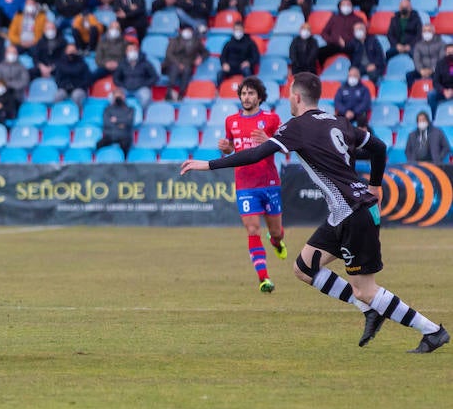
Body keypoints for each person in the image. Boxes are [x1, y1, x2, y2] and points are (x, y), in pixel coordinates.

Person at [182, 72, 448, 353]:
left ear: (296, 97)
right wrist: (375, 185)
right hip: (344, 212)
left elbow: (255, 154)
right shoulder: (338, 121)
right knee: (304, 268)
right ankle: (369, 311)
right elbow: (379, 148)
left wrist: (208, 164)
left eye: (289, 96)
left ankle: (432, 331)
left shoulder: (296, 127)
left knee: (366, 289)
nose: (288, 101)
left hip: (354, 213)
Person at [216, 77, 288, 292]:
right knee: (252, 229)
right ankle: (264, 278)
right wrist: (226, 148)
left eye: (251, 93)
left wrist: (269, 140)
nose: (246, 97)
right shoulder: (231, 121)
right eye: (244, 94)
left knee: (276, 232)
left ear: (259, 97)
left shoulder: (272, 119)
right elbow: (232, 150)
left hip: (269, 181)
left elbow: (287, 147)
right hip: (245, 184)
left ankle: (276, 241)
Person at [97, 87, 135, 156]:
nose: (118, 98)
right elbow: (107, 123)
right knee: (99, 144)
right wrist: (121, 124)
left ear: (124, 97)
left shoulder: (130, 109)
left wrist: (116, 120)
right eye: (116, 96)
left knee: (126, 144)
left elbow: (129, 122)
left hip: (124, 136)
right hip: (110, 135)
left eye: (120, 95)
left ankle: (126, 164)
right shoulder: (107, 109)